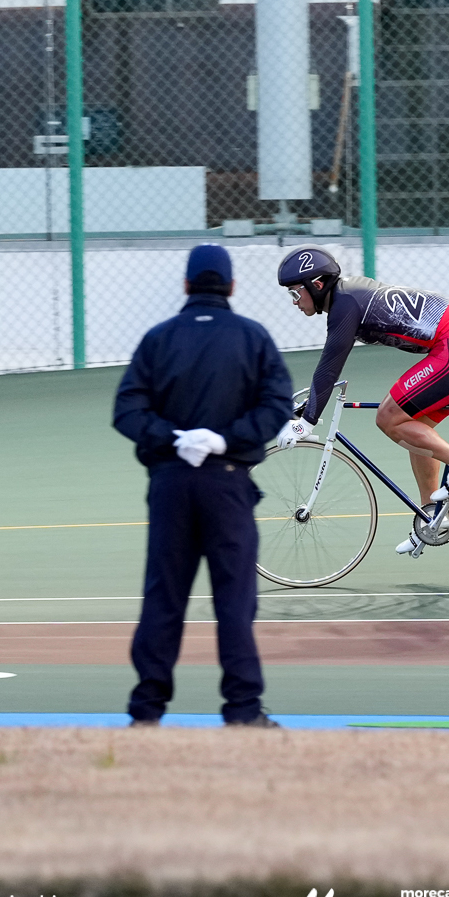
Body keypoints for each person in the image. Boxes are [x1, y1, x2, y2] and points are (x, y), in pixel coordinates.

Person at [113, 244, 293, 728]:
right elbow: (276, 407)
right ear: (231, 286)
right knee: (234, 600)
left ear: (187, 285)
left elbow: (127, 411)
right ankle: (242, 709)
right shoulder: (252, 337)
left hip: (171, 482)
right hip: (228, 483)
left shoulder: (158, 338)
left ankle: (146, 710)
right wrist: (224, 440)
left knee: (164, 597)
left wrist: (173, 437)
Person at [275, 247, 449, 558]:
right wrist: (308, 411)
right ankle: (432, 521)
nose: (294, 302)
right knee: (415, 431)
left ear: (318, 284)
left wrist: (307, 420)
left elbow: (330, 365)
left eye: (296, 292)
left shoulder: (345, 304)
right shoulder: (346, 296)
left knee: (388, 416)